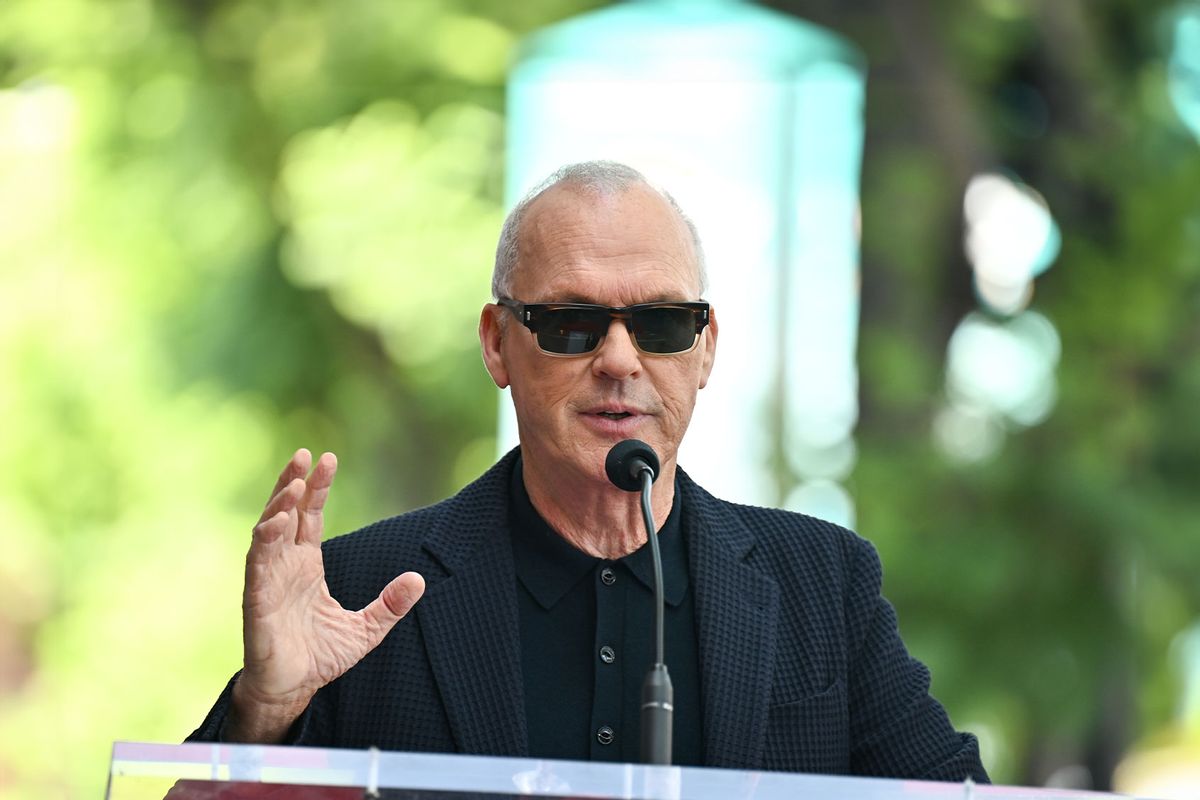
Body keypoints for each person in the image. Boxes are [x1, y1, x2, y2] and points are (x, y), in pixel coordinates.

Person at [190, 161, 989, 781]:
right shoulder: (360, 589)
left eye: (661, 323)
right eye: (572, 322)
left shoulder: (822, 583)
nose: (618, 359)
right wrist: (268, 709)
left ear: (705, 348)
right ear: (497, 343)